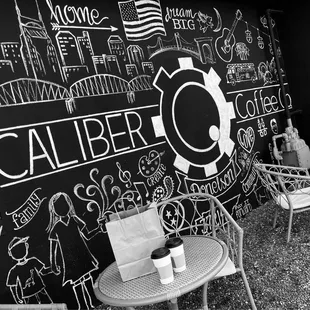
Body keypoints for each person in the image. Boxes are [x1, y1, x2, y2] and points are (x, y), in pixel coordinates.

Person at [46, 192, 103, 310]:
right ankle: (82, 305)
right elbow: (53, 248)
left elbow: (86, 235)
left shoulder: (75, 219)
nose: (62, 208)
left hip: (82, 255)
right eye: (58, 206)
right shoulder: (55, 228)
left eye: (64, 204)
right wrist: (53, 265)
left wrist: (98, 229)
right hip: (70, 260)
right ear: (53, 210)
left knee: (87, 279)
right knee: (77, 283)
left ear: (69, 205)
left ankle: (93, 301)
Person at [6, 236, 53, 304]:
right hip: (28, 295)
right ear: (11, 254)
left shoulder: (33, 261)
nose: (19, 251)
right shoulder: (13, 270)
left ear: (26, 246)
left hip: (40, 290)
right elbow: (12, 286)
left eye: (21, 248)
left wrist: (52, 269)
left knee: (48, 306)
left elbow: (43, 271)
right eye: (15, 250)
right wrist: (17, 298)